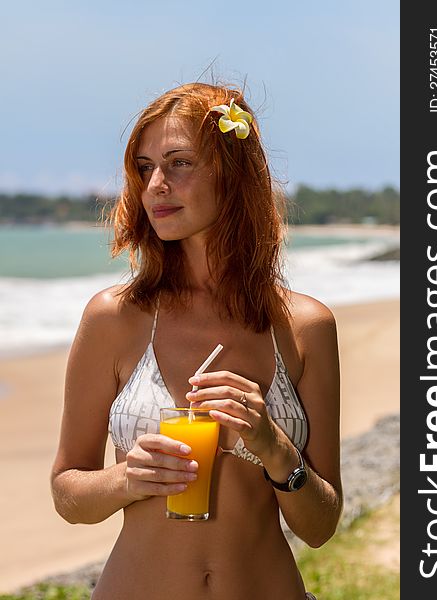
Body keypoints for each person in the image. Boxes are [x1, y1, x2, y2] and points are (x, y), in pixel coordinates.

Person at [50, 82, 342, 600]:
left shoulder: (304, 327)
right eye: (144, 167)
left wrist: (274, 448)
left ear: (233, 173)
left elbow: (319, 526)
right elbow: (68, 492)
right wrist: (126, 479)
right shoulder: (115, 318)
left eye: (179, 162)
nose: (155, 184)